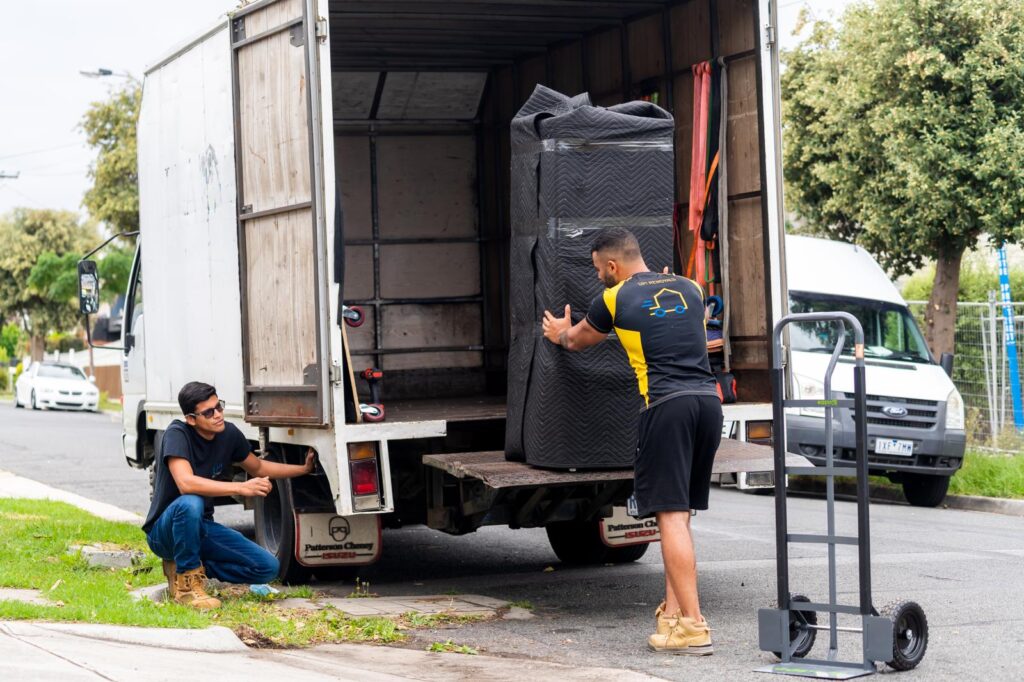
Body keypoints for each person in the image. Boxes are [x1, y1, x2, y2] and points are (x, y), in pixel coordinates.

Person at [540, 228, 722, 655]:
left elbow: (577, 340)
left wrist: (559, 333)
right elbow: (679, 325)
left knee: (670, 517)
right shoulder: (690, 287)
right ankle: (674, 618)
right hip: (708, 405)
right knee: (680, 515)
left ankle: (693, 625)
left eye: (597, 269)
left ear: (611, 265)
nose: (597, 276)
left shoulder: (614, 297)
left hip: (666, 407)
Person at [142, 381, 316, 609]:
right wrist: (240, 488)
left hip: (200, 528)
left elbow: (259, 467)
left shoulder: (228, 434)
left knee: (268, 567)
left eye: (219, 407)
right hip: (164, 533)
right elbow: (186, 483)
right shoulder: (177, 434)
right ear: (191, 419)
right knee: (190, 502)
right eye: (208, 412)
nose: (218, 415)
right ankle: (187, 587)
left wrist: (303, 469)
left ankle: (194, 568)